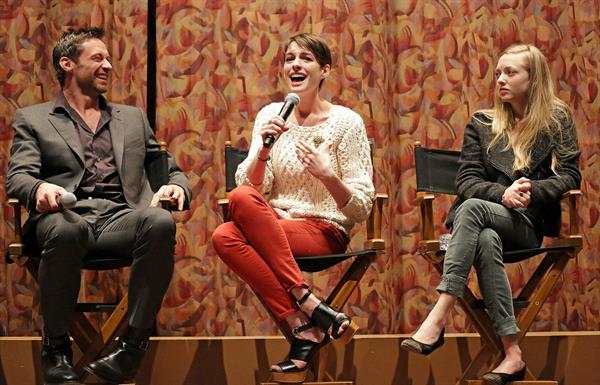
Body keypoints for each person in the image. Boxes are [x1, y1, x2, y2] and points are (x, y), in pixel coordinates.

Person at [6, 27, 191, 385]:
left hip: (120, 218)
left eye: (109, 59)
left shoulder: (132, 118)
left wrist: (175, 186)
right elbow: (18, 178)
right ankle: (56, 349)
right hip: (63, 216)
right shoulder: (34, 118)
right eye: (98, 58)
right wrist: (41, 188)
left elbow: (167, 168)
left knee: (159, 222)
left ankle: (132, 348)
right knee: (66, 227)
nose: (108, 65)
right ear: (67, 64)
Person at [401, 44, 580, 385]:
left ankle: (439, 314)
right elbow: (466, 180)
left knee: (471, 210)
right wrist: (502, 193)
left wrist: (529, 193)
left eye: (510, 72)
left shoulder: (557, 119)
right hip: (484, 224)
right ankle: (512, 353)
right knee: (483, 234)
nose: (500, 79)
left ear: (534, 78)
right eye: (498, 72)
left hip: (527, 224)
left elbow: (570, 175)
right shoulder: (483, 123)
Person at [211, 33, 374, 383]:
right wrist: (265, 149)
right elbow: (252, 186)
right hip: (274, 225)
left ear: (324, 70)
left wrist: (328, 176)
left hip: (324, 230)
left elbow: (361, 208)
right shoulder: (272, 115)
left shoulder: (347, 123)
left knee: (230, 228)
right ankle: (305, 320)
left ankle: (305, 307)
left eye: (305, 59)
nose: (295, 65)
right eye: (289, 58)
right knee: (228, 225)